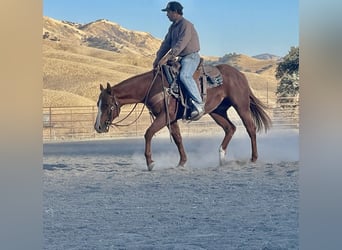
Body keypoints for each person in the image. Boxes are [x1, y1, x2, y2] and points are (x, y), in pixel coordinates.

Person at [153, 1, 204, 120]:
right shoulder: (172, 27)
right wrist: (158, 59)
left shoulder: (186, 25)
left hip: (190, 56)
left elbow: (180, 44)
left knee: (184, 76)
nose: (167, 15)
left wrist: (167, 58)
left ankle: (198, 104)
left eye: (168, 12)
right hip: (180, 58)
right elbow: (166, 44)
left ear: (175, 12)